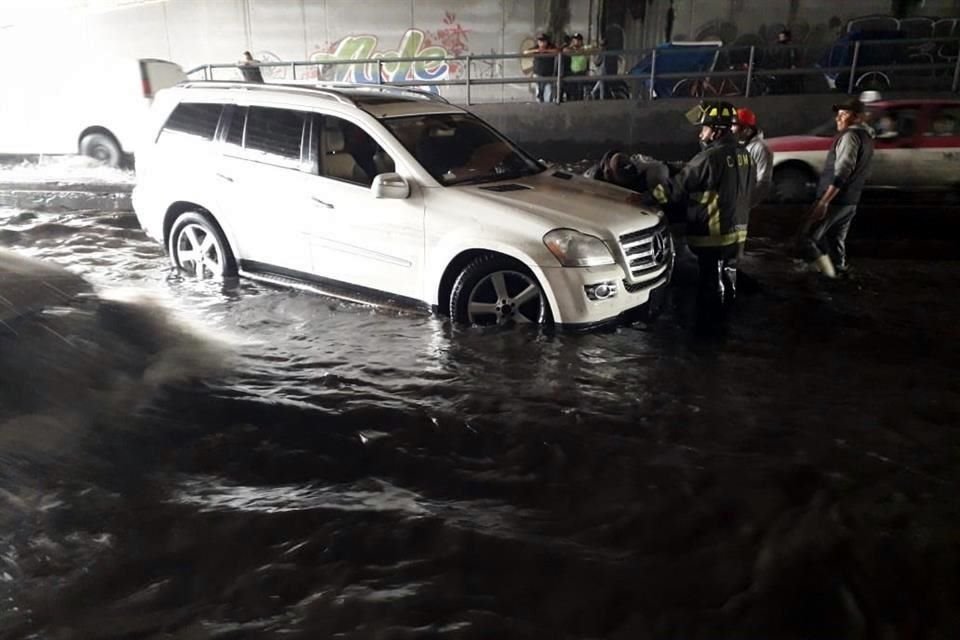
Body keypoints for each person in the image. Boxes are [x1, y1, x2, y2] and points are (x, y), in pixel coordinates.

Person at [649, 101, 755, 323]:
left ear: (715, 130)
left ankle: (709, 329)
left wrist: (648, 198)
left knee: (709, 281)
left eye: (704, 127)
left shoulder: (709, 157)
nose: (701, 132)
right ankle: (727, 319)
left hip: (713, 233)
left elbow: (678, 187)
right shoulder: (745, 155)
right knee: (728, 274)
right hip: (738, 231)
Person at [800, 98, 875, 278]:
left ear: (858, 118)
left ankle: (828, 275)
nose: (838, 119)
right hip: (850, 200)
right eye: (838, 114)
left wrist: (824, 202)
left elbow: (843, 171)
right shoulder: (867, 138)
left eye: (844, 114)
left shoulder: (850, 137)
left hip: (836, 199)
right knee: (835, 239)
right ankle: (839, 270)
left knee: (807, 238)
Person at [732, 107, 773, 206]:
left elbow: (763, 184)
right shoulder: (738, 145)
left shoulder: (761, 149)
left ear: (746, 129)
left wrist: (745, 205)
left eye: (734, 126)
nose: (731, 129)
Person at [524, 34, 558, 103]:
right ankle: (540, 106)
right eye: (540, 41)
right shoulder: (536, 48)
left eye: (543, 41)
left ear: (546, 42)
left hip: (549, 75)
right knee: (539, 92)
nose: (541, 43)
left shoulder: (551, 46)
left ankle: (548, 107)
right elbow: (525, 52)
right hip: (538, 74)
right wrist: (537, 50)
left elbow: (557, 51)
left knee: (548, 93)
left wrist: (546, 51)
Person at [565, 33, 590, 101]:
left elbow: (593, 49)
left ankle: (579, 105)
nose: (576, 42)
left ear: (581, 41)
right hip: (572, 72)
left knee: (580, 91)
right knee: (572, 91)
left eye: (578, 40)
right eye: (574, 40)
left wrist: (580, 50)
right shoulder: (570, 49)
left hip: (582, 72)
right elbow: (564, 50)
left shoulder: (585, 48)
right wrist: (572, 46)